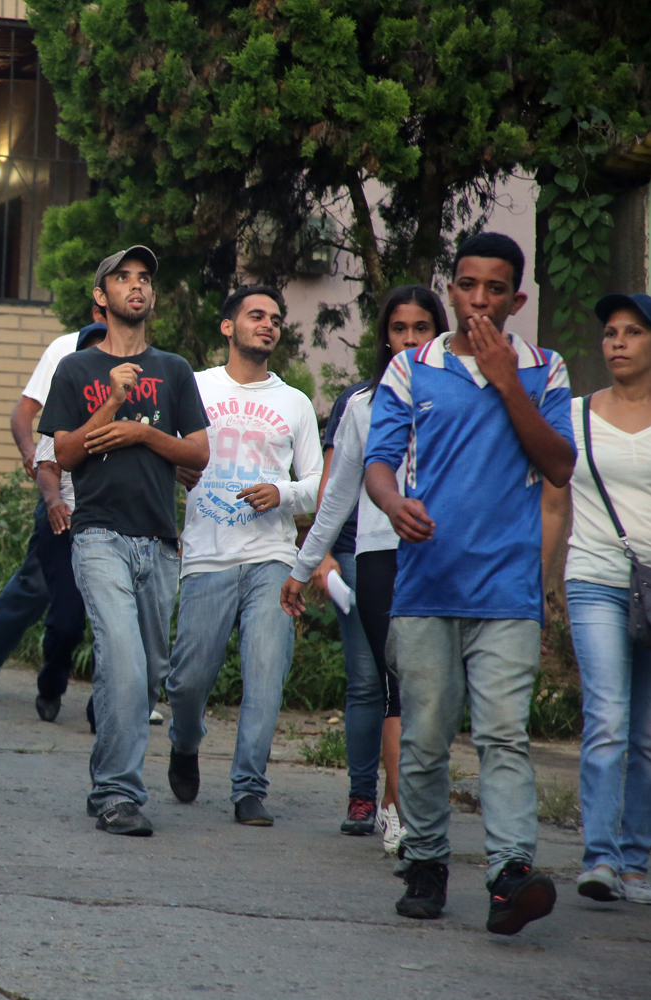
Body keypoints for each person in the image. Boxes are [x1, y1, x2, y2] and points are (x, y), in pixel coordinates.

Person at [365, 232, 574, 935]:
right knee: (424, 738)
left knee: (504, 737)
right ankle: (425, 860)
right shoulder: (409, 369)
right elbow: (379, 463)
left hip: (507, 592)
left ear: (517, 298)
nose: (478, 299)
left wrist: (507, 379)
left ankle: (509, 875)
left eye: (494, 289)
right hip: (426, 586)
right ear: (450, 288)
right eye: (466, 285)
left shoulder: (545, 370)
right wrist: (395, 505)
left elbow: (558, 465)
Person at [39, 246, 209, 837]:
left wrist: (141, 432)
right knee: (123, 660)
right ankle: (117, 793)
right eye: (122, 278)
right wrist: (112, 399)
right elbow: (61, 454)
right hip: (99, 535)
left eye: (144, 280)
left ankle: (111, 779)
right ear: (101, 297)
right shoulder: (76, 370)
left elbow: (199, 454)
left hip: (160, 539)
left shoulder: (175, 370)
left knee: (150, 668)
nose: (136, 287)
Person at [279, 286, 447, 848]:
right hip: (380, 558)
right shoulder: (362, 405)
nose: (408, 339)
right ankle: (396, 811)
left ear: (438, 332)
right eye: (399, 329)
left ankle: (415, 804)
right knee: (396, 685)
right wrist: (304, 569)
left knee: (435, 691)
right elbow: (337, 496)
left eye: (420, 328)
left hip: (448, 556)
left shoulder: (466, 393)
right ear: (384, 336)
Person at [164, 286, 322, 827]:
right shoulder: (194, 387)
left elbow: (319, 485)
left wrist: (284, 493)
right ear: (228, 325)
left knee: (265, 672)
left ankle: (249, 787)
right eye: (256, 316)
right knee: (188, 681)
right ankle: (185, 741)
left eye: (276, 318)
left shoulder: (294, 403)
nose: (268, 325)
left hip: (273, 554)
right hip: (207, 554)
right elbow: (164, 450)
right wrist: (174, 467)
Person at [542, 292, 651, 906]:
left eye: (633, 332)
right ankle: (602, 860)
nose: (617, 342)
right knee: (608, 719)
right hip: (594, 576)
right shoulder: (577, 415)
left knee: (648, 737)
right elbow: (555, 502)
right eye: (610, 331)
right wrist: (539, 581)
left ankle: (638, 861)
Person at [0, 309, 106, 708]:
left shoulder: (146, 363)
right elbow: (25, 413)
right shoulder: (67, 350)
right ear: (99, 303)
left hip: (115, 506)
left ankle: (130, 689)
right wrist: (34, 456)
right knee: (38, 581)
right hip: (62, 493)